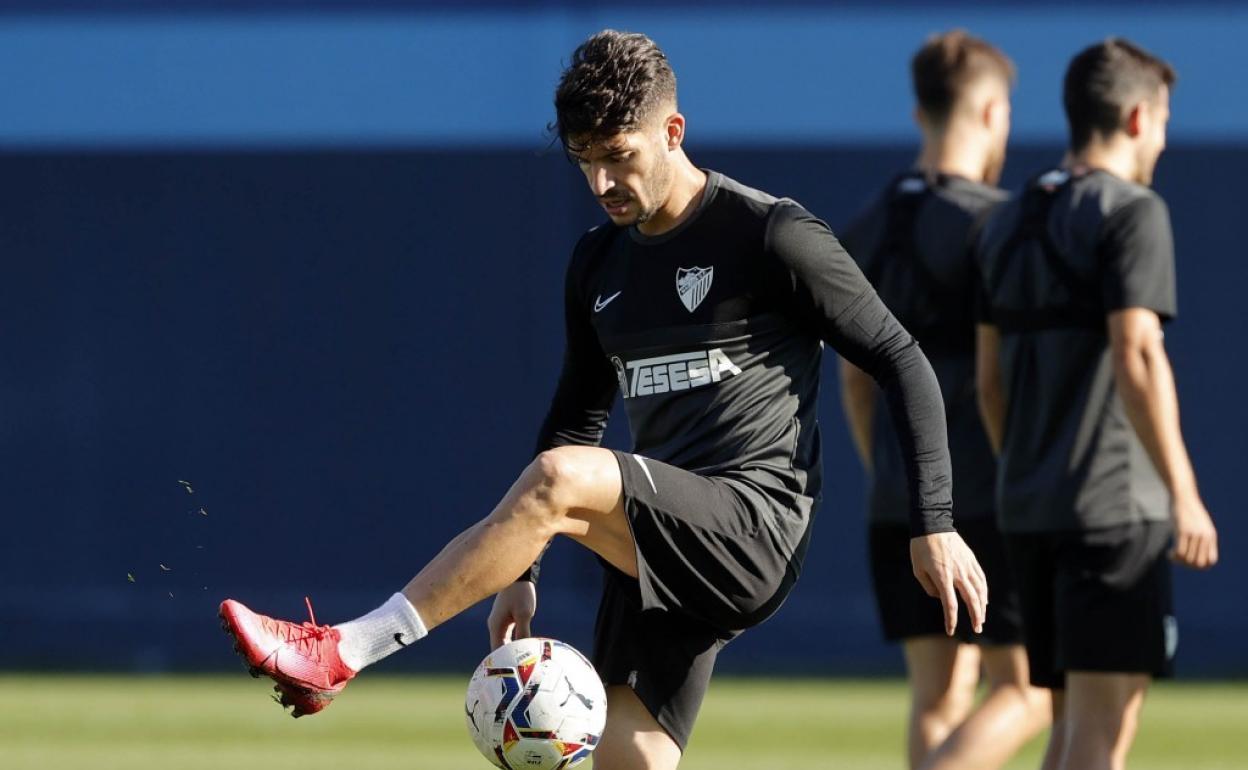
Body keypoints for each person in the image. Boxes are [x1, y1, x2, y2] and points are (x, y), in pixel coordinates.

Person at [218, 29, 987, 769]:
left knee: (562, 477)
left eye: (618, 157)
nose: (602, 184)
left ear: (674, 130)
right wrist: (520, 570)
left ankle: (343, 651)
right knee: (630, 761)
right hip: (656, 544)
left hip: (752, 528)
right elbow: (577, 413)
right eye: (585, 162)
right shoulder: (598, 262)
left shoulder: (770, 235)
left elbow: (901, 358)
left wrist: (936, 523)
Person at [973, 38, 1218, 770]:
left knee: (1076, 721)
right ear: (1140, 118)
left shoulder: (1006, 220)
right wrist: (1185, 491)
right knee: (1101, 734)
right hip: (1112, 513)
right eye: (1166, 120)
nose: (1165, 137)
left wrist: (1023, 469)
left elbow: (990, 379)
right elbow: (1139, 351)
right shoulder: (1133, 211)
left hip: (1029, 511)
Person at [839, 30, 1049, 770]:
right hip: (988, 496)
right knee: (1030, 692)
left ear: (919, 111)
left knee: (939, 697)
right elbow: (994, 380)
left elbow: (856, 383)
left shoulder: (862, 229)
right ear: (992, 111)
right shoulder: (999, 221)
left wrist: (891, 479)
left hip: (898, 504)